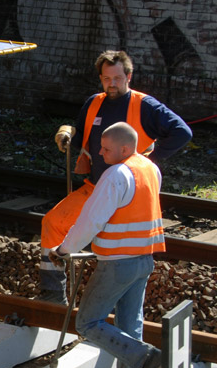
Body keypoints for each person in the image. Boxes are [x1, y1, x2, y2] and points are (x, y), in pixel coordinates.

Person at [40, 50, 192, 304]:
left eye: (117, 78)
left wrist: (149, 158)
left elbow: (182, 132)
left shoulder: (144, 105)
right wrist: (67, 133)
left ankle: (113, 304)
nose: (112, 84)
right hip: (95, 187)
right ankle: (52, 294)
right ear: (100, 78)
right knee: (52, 222)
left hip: (130, 196)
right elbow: (80, 138)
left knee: (116, 249)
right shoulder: (94, 103)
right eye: (106, 78)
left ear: (129, 76)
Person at [50, 122, 164, 368]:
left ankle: (148, 358)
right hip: (143, 259)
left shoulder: (116, 175)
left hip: (117, 262)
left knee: (88, 322)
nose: (99, 153)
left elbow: (90, 221)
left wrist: (64, 250)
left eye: (105, 148)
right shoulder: (149, 169)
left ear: (124, 148)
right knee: (129, 322)